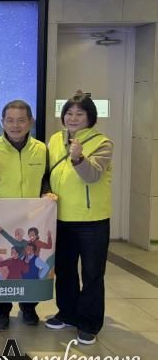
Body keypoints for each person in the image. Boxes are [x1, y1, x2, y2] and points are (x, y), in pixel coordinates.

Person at [0, 99, 54, 330]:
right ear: (2, 122)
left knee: (30, 269)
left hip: (33, 221)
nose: (15, 125)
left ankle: (29, 308)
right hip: (1, 221)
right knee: (5, 269)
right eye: (10, 120)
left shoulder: (41, 149)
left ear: (30, 122)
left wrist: (47, 192)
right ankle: (1, 311)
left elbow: (46, 179)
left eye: (21, 120)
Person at [44, 91, 113, 345]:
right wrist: (46, 192)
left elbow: (92, 176)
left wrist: (78, 157)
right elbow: (47, 173)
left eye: (79, 114)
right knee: (65, 271)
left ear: (90, 117)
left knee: (92, 274)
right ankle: (68, 313)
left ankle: (89, 323)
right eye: (69, 113)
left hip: (92, 221)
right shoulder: (54, 139)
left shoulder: (103, 143)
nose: (73, 118)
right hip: (60, 217)